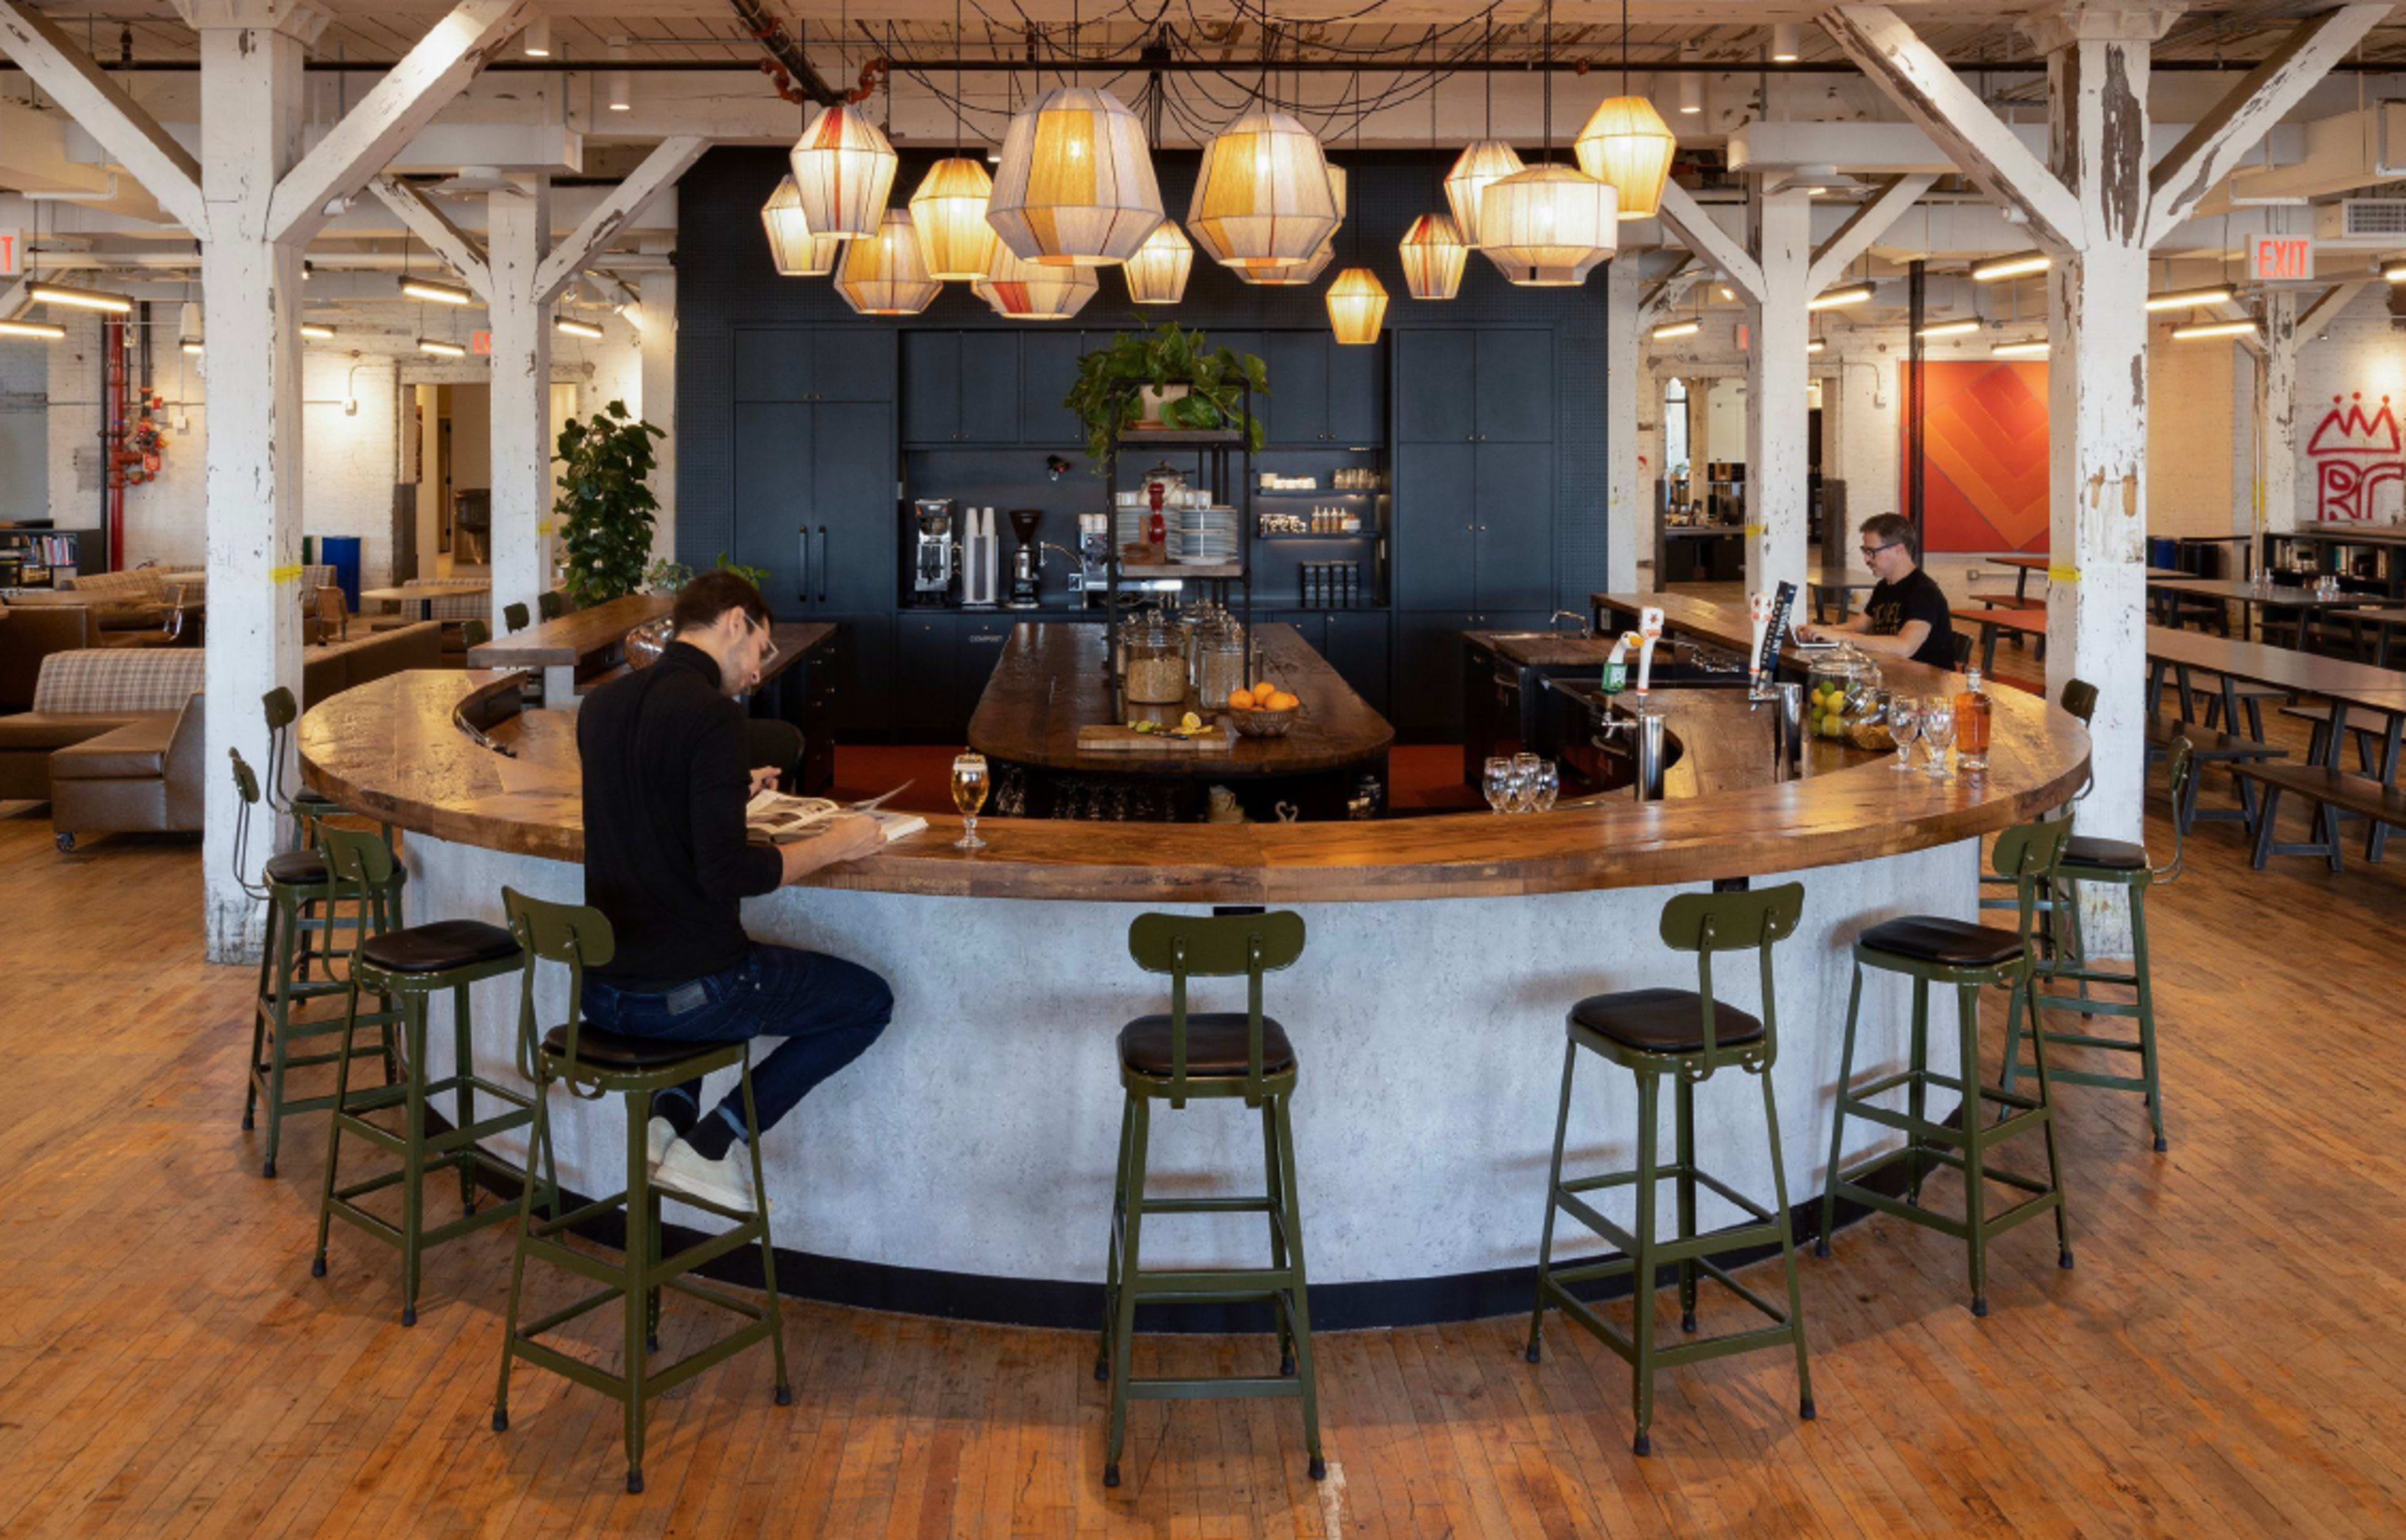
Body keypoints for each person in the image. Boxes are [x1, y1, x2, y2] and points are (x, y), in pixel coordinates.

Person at [576, 570, 893, 1210]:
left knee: (692, 970)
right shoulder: (712, 715)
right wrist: (843, 841)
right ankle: (716, 1142)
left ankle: (665, 1124)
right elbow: (728, 875)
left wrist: (724, 791)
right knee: (868, 1002)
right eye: (760, 650)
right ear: (734, 622)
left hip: (603, 994)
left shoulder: (601, 707)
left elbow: (648, 808)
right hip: (687, 996)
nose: (757, 671)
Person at [1798, 512, 1959, 669]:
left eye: (1872, 552)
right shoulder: (1884, 587)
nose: (1866, 560)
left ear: (1899, 549)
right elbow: (1859, 626)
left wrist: (1842, 638)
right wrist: (1819, 631)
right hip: (1895, 673)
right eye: (1865, 551)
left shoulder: (1924, 592)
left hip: (1927, 686)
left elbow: (1905, 647)